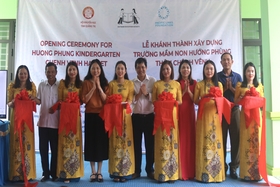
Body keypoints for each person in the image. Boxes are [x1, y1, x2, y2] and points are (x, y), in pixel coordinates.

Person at [193, 60, 225, 183]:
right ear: (204, 70)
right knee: (204, 142)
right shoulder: (199, 85)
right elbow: (195, 101)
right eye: (207, 69)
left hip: (215, 118)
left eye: (211, 69)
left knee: (215, 143)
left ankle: (216, 174)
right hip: (203, 117)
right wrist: (204, 98)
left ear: (214, 70)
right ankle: (203, 173)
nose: (209, 71)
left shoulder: (219, 85)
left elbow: (221, 101)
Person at [7, 65, 39, 181]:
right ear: (17, 74)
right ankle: (16, 174)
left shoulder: (32, 87)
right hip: (16, 119)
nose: (23, 76)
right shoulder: (12, 86)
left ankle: (28, 173)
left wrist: (32, 98)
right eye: (21, 73)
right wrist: (14, 101)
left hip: (27, 121)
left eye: (25, 73)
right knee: (16, 144)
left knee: (27, 145)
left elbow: (36, 102)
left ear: (28, 74)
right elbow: (9, 104)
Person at [152, 60, 182, 183]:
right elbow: (153, 101)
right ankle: (161, 174)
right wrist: (162, 102)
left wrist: (170, 101)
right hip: (160, 118)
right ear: (161, 71)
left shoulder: (177, 84)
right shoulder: (157, 85)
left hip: (173, 117)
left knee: (172, 143)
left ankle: (172, 174)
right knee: (161, 143)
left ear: (171, 70)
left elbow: (180, 101)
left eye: (168, 69)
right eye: (164, 69)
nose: (166, 71)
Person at [234, 62, 264, 181]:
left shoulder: (259, 86)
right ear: (245, 73)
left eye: (252, 71)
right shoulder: (240, 86)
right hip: (245, 118)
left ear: (255, 73)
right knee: (245, 143)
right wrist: (242, 98)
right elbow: (236, 101)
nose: (250, 73)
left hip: (256, 118)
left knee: (257, 144)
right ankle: (245, 173)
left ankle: (257, 173)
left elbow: (262, 102)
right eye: (248, 71)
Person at [81, 59, 109, 183]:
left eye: (98, 68)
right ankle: (92, 171)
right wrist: (93, 87)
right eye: (93, 68)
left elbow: (106, 100)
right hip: (90, 115)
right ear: (90, 69)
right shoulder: (86, 82)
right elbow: (84, 100)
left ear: (101, 69)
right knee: (91, 142)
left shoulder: (104, 83)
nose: (95, 70)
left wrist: (99, 87)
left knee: (101, 143)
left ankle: (100, 171)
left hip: (101, 115)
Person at [57, 61, 84, 183]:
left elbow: (82, 101)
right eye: (70, 70)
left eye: (74, 69)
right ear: (67, 71)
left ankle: (75, 173)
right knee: (65, 144)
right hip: (64, 117)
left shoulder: (81, 84)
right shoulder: (63, 83)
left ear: (77, 71)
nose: (72, 72)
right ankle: (64, 173)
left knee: (75, 143)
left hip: (76, 118)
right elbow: (60, 100)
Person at [108, 61, 134, 182]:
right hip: (114, 116)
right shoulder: (111, 84)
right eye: (118, 68)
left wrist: (123, 104)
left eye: (122, 68)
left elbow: (130, 99)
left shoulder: (130, 83)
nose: (120, 71)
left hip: (125, 116)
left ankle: (125, 173)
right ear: (115, 70)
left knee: (125, 143)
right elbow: (108, 100)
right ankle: (115, 173)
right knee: (115, 142)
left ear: (125, 70)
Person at [217, 52, 242, 179]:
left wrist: (231, 88)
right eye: (224, 60)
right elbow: (216, 95)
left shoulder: (238, 77)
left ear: (232, 61)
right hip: (221, 111)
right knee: (221, 138)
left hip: (234, 110)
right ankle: (222, 166)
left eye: (228, 59)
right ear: (221, 62)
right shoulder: (217, 77)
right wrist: (224, 90)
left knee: (235, 139)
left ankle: (234, 167)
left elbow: (241, 96)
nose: (226, 62)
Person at [131, 58, 156, 180]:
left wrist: (146, 94)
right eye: (138, 67)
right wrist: (139, 94)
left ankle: (150, 170)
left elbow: (155, 99)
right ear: (135, 69)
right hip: (136, 117)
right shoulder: (132, 83)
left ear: (146, 68)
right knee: (136, 145)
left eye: (143, 67)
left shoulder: (152, 81)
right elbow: (131, 101)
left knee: (150, 145)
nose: (141, 69)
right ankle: (136, 170)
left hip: (150, 116)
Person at [37, 62, 59, 182]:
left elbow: (62, 102)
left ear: (56, 72)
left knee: (55, 149)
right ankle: (45, 173)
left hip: (55, 123)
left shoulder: (60, 86)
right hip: (43, 123)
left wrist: (56, 106)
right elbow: (39, 101)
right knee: (43, 149)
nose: (50, 74)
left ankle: (54, 173)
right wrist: (32, 100)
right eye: (48, 72)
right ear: (45, 72)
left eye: (52, 71)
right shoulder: (41, 85)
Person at [176, 59, 197, 180]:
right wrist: (184, 91)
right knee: (181, 140)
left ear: (190, 70)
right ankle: (180, 171)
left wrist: (188, 92)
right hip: (179, 113)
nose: (185, 70)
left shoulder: (194, 83)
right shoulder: (176, 83)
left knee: (190, 140)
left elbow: (196, 100)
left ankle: (190, 171)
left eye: (187, 68)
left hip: (189, 112)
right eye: (183, 67)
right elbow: (176, 100)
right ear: (180, 70)